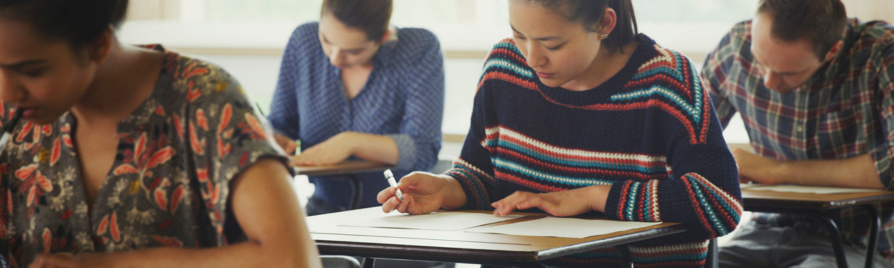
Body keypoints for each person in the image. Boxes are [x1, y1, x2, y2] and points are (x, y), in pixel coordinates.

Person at [378, 0, 742, 267]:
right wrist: (448, 189)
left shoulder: (665, 80)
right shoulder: (505, 66)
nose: (533, 57)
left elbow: (718, 202)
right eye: (519, 34)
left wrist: (592, 198)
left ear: (604, 23)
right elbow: (485, 179)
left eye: (552, 44)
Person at [0, 0, 321, 267]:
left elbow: (293, 259)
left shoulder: (205, 99)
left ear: (98, 45)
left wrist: (114, 265)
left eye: (32, 71)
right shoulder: (12, 114)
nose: (7, 91)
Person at [701, 0, 894, 267]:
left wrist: (777, 171)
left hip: (856, 243)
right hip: (761, 233)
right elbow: (685, 143)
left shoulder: (883, 52)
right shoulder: (735, 45)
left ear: (833, 50)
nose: (768, 81)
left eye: (786, 72)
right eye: (759, 61)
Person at [267, 0, 444, 216]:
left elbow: (424, 149)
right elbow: (279, 125)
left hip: (395, 213)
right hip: (322, 210)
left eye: (353, 51)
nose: (334, 57)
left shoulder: (418, 48)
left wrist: (351, 143)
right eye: (326, 40)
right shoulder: (303, 41)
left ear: (383, 38)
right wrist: (275, 139)